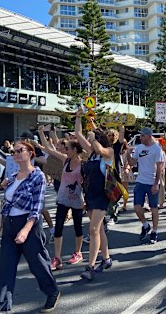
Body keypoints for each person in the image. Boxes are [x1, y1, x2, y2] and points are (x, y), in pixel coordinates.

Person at [0, 141, 60, 313]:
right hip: (10, 225)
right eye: (14, 151)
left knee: (38, 264)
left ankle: (52, 291)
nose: (16, 154)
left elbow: (37, 207)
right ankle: (1, 306)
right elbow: (8, 200)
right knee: (5, 267)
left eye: (20, 150)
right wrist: (4, 186)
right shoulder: (12, 176)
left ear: (30, 153)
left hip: (29, 225)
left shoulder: (38, 176)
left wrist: (25, 230)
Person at [37, 126, 85, 270]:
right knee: (58, 227)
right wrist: (41, 133)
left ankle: (78, 252)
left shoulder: (83, 165)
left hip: (77, 200)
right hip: (63, 198)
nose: (65, 151)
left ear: (75, 150)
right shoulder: (65, 160)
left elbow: (87, 183)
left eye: (68, 149)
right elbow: (48, 149)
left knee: (78, 227)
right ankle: (57, 258)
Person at [74, 109, 114, 280]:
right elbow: (77, 133)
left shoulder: (109, 152)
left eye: (92, 139)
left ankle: (90, 266)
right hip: (90, 195)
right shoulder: (91, 155)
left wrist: (93, 135)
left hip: (102, 196)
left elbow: (98, 148)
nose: (89, 142)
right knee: (99, 230)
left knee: (93, 229)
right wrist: (78, 117)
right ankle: (106, 258)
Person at [127, 127, 165, 244]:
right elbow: (132, 163)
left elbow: (159, 168)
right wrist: (128, 154)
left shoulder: (157, 149)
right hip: (141, 181)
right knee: (137, 207)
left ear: (148, 136)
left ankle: (155, 231)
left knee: (154, 208)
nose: (140, 138)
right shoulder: (139, 148)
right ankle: (145, 225)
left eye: (142, 136)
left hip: (152, 182)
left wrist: (156, 184)